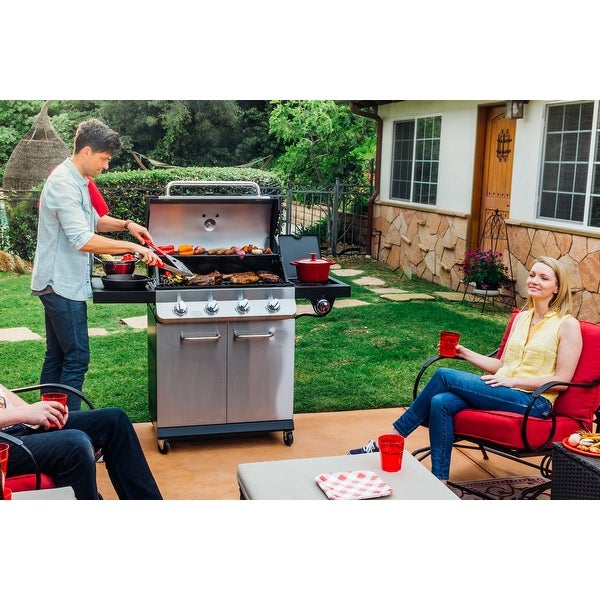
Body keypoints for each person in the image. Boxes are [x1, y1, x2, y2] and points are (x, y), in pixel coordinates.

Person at [348, 256, 583, 483]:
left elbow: (562, 380)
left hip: (534, 402)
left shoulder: (567, 324)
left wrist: (514, 382)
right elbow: (501, 366)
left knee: (443, 375)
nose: (534, 280)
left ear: (557, 287)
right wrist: (465, 353)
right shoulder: (522, 318)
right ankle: (440, 480)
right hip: (501, 389)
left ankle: (390, 439)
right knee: (441, 401)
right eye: (532, 275)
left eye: (544, 278)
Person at [31, 118, 161, 410]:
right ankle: (69, 432)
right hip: (61, 283)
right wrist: (133, 248)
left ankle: (49, 427)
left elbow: (93, 221)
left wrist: (128, 225)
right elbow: (81, 238)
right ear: (87, 152)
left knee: (57, 355)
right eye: (104, 159)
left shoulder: (77, 180)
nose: (106, 166)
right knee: (76, 356)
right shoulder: (64, 184)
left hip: (58, 281)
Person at [0, 383, 162, 499]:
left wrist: (38, 412)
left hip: (15, 426)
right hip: (5, 443)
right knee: (75, 445)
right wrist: (23, 414)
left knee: (114, 420)